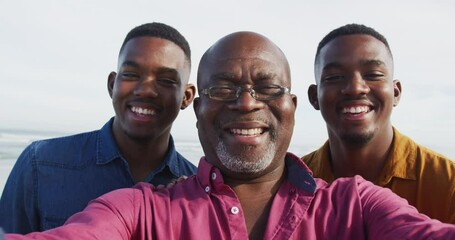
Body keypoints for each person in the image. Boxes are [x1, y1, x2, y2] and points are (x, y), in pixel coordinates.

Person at [5, 31, 455, 240]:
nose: (245, 102)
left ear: (294, 107)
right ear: (197, 107)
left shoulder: (356, 204)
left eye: (267, 87)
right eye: (223, 88)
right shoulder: (141, 208)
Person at [0, 22, 197, 234]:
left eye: (166, 80)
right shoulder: (40, 164)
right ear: (112, 84)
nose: (145, 90)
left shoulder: (196, 192)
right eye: (131, 74)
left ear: (186, 97)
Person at [303, 23, 455, 223]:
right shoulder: (295, 182)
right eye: (335, 77)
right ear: (314, 97)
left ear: (396, 93)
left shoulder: (447, 183)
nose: (355, 88)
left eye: (373, 75)